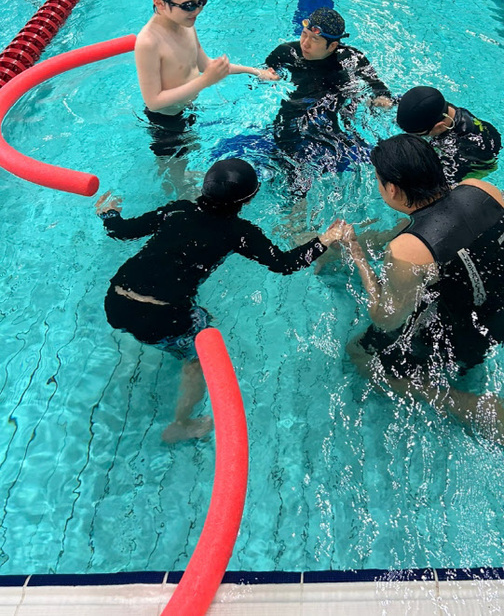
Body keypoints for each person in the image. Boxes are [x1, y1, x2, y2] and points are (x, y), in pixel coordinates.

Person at [97, 159, 348, 442]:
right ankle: (181, 424)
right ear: (250, 199)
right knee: (200, 355)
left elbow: (122, 231)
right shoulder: (239, 233)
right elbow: (283, 263)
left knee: (189, 310)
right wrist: (324, 239)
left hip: (115, 300)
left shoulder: (178, 209)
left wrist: (109, 214)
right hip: (159, 320)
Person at [339, 135, 504, 456]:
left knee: (359, 356)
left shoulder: (407, 249)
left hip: (463, 337)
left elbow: (385, 316)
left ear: (392, 190)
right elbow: (457, 223)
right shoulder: (484, 189)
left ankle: (472, 406)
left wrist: (357, 254)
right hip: (503, 312)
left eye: (379, 182)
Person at [135, 0, 276, 190]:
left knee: (192, 153)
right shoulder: (148, 42)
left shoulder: (185, 23)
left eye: (201, 1)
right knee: (175, 180)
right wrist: (203, 82)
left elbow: (207, 66)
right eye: (188, 5)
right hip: (165, 123)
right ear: (160, 4)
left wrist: (255, 71)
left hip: (188, 109)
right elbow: (154, 101)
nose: (197, 10)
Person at [263, 8, 394, 197]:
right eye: (304, 35)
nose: (304, 44)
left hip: (335, 103)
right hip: (298, 103)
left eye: (314, 40)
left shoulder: (351, 58)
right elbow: (265, 71)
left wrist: (381, 100)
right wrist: (266, 76)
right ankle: (293, 196)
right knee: (285, 146)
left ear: (332, 46)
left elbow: (378, 86)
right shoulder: (286, 52)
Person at [397, 86, 501, 186]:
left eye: (420, 134)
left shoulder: (465, 145)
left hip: (479, 164)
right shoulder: (441, 108)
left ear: (439, 127)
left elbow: (446, 184)